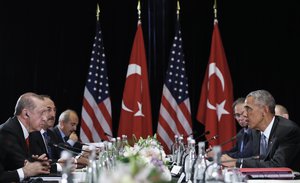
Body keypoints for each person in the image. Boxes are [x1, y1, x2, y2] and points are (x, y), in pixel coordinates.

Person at [221, 90, 300, 171]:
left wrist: (237, 163)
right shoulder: (255, 132)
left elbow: (277, 165)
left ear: (264, 110)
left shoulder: (287, 130)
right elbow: (257, 160)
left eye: (248, 109)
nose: (245, 114)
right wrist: (232, 163)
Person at [0, 92, 50, 182]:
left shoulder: (31, 133)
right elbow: (22, 166)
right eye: (41, 113)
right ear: (26, 114)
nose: (45, 118)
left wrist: (35, 163)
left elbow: (23, 162)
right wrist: (25, 172)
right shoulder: (7, 132)